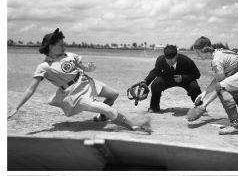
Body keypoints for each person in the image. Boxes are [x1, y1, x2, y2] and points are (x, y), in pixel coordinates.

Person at [7, 27, 151, 134]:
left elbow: (84, 67)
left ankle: (100, 118)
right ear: (51, 46)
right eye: (61, 44)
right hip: (76, 95)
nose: (64, 46)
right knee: (106, 108)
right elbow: (31, 89)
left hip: (87, 82)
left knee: (113, 95)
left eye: (64, 44)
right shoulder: (44, 67)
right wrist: (17, 107)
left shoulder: (70, 55)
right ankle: (133, 125)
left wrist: (89, 67)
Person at [141, 44, 203, 113]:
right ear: (165, 57)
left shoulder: (186, 61)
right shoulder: (160, 60)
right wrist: (145, 81)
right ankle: (154, 107)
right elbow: (155, 72)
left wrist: (183, 78)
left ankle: (200, 107)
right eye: (168, 59)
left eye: (172, 59)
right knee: (156, 84)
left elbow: (197, 75)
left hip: (185, 80)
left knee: (194, 86)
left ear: (177, 55)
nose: (170, 62)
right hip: (168, 79)